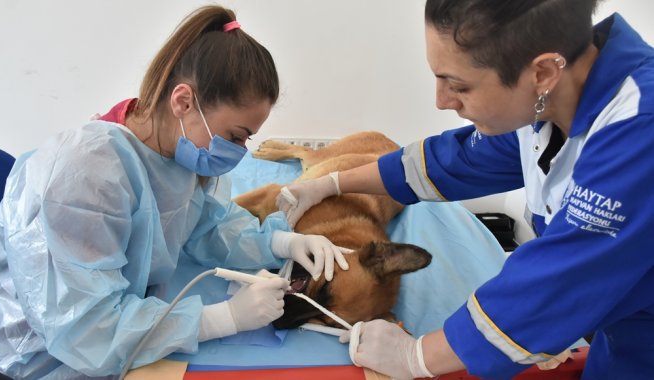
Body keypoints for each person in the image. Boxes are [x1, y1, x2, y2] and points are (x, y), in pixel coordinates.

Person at [276, 0, 654, 379]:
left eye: (458, 85)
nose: (441, 101)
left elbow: (561, 281)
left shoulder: (641, 131)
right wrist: (331, 183)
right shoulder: (550, 103)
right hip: (623, 334)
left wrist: (417, 356)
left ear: (542, 72)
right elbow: (455, 161)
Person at [0, 5, 350, 379]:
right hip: (49, 357)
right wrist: (222, 318)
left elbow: (208, 226)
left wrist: (282, 243)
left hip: (121, 324)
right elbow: (85, 331)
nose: (240, 151)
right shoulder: (86, 175)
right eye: (236, 136)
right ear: (183, 102)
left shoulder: (179, 154)